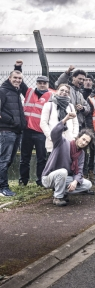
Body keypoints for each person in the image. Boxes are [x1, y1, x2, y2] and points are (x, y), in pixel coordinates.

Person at [41, 113, 94, 206]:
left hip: (64, 178)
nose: (84, 143)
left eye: (87, 142)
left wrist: (75, 181)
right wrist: (65, 119)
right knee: (63, 172)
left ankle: (61, 191)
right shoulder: (63, 143)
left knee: (87, 184)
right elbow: (54, 133)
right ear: (78, 137)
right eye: (83, 139)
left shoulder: (81, 153)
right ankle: (58, 197)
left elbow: (79, 171)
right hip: (49, 177)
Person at [20, 75, 53, 186]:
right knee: (24, 158)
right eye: (39, 82)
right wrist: (18, 67)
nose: (42, 84)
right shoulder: (28, 92)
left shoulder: (51, 96)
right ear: (36, 83)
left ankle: (40, 181)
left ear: (48, 84)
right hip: (27, 131)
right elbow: (20, 82)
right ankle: (23, 180)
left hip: (41, 132)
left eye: (44, 83)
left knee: (41, 158)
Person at [0, 65, 27, 197]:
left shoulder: (16, 91)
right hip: (6, 130)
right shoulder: (3, 91)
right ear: (9, 78)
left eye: (20, 78)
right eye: (15, 78)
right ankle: (3, 188)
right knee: (4, 160)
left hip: (16, 131)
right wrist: (11, 121)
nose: (17, 80)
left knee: (9, 160)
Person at [40, 84, 79, 153]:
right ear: (56, 91)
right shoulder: (49, 105)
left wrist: (74, 137)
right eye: (62, 90)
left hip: (69, 141)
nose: (64, 92)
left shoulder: (70, 106)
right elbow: (43, 123)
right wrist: (51, 137)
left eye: (67, 91)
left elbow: (75, 123)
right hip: (53, 142)